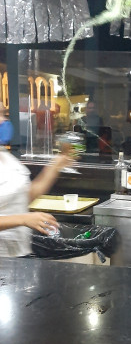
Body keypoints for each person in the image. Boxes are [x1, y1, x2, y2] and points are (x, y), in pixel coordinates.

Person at [0, 105, 73, 257]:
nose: (3, 120)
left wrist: (56, 165)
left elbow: (24, 196)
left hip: (16, 256)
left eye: (3, 114)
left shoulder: (5, 156)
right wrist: (23, 219)